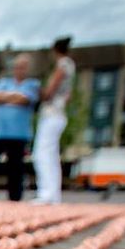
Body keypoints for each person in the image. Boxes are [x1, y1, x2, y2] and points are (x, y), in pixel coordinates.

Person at [0, 54, 40, 201]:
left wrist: (7, 98)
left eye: (23, 67)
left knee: (15, 167)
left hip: (19, 134)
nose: (19, 70)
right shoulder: (3, 82)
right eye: (17, 67)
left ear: (27, 69)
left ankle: (14, 198)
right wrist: (15, 97)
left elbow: (25, 99)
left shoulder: (33, 84)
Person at [33, 36, 76, 205]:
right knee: (52, 154)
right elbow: (69, 96)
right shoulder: (71, 66)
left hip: (52, 114)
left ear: (55, 50)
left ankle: (46, 193)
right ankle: (54, 195)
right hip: (60, 113)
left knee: (42, 153)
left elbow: (49, 92)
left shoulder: (62, 65)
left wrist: (38, 90)